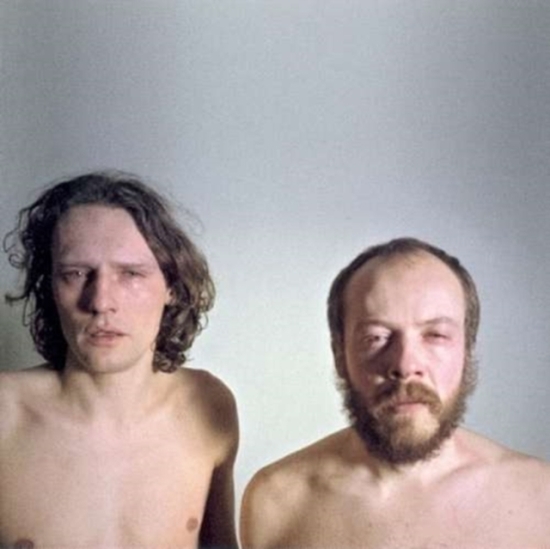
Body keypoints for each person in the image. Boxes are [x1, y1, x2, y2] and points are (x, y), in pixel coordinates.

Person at [240, 237, 550, 549]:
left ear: (466, 351)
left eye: (436, 335)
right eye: (376, 337)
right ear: (339, 354)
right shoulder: (276, 502)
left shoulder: (539, 497)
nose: (405, 365)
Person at [0, 171, 239, 549]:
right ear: (49, 287)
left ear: (172, 286)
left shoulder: (209, 404)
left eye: (130, 274)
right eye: (76, 273)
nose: (100, 302)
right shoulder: (6, 414)